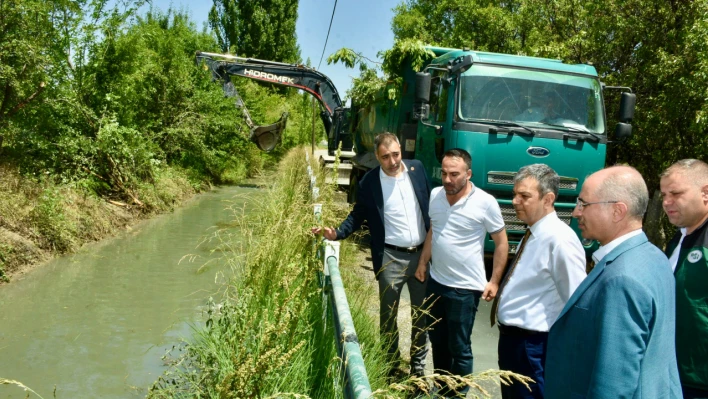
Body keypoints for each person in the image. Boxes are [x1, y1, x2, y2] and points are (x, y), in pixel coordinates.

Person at [544, 166, 681, 399]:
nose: (576, 213)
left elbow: (614, 384)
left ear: (618, 211)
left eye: (584, 204)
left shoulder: (621, 278)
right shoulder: (654, 256)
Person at [312, 133, 431, 377]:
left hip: (421, 257)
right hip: (390, 258)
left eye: (396, 154)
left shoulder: (417, 169)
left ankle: (418, 369)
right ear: (377, 157)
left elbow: (431, 205)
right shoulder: (369, 182)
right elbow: (358, 215)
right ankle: (390, 366)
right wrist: (336, 233)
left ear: (401, 151)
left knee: (422, 315)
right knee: (388, 317)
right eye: (386, 157)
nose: (393, 161)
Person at [414, 148, 508, 396]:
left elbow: (501, 243)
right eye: (444, 173)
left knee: (460, 347)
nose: (447, 179)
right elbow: (433, 232)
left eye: (454, 174)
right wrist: (423, 263)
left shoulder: (486, 203)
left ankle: (458, 394)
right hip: (436, 282)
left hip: (465, 289)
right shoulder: (436, 195)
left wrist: (494, 281)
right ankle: (443, 389)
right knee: (438, 343)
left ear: (469, 174)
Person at [492, 164, 586, 399]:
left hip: (532, 347)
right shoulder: (535, 232)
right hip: (515, 343)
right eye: (514, 194)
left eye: (524, 196)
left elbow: (576, 301)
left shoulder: (560, 240)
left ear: (548, 199)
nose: (515, 201)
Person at [660, 159, 708, 399]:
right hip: (676, 373)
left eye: (676, 193)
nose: (667, 202)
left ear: (706, 192)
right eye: (664, 194)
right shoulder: (678, 240)